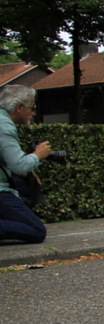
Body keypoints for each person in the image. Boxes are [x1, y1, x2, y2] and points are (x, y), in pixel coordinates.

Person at [0, 85, 48, 244]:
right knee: (37, 231)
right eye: (32, 107)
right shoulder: (4, 126)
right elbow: (19, 165)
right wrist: (37, 155)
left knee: (23, 184)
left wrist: (25, 172)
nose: (33, 112)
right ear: (19, 107)